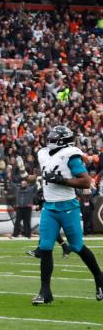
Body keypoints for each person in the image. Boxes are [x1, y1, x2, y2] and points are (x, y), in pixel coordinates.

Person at [31, 126, 103, 305]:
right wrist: (40, 189)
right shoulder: (43, 153)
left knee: (77, 246)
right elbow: (45, 174)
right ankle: (45, 292)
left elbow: (86, 181)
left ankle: (100, 279)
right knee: (46, 247)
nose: (50, 140)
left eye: (54, 137)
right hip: (49, 207)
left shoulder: (71, 154)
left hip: (68, 207)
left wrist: (63, 180)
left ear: (63, 140)